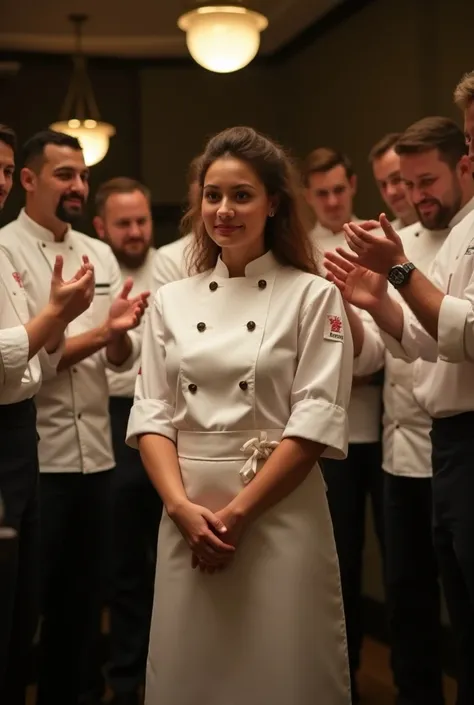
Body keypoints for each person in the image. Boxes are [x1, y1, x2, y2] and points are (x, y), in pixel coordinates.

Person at [126, 126, 354, 705]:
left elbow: (315, 420)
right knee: (190, 671)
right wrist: (181, 509)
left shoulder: (313, 295)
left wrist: (239, 516)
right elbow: (151, 414)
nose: (224, 210)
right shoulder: (171, 301)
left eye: (242, 195)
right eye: (212, 194)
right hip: (188, 511)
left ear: (273, 202)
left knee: (281, 669)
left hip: (276, 509)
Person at [323, 73, 474, 705]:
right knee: (440, 602)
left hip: (467, 435)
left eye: (425, 182)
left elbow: (462, 331)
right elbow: (420, 341)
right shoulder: (416, 238)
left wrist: (399, 273)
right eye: (405, 186)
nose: (413, 197)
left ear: (461, 166)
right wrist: (375, 304)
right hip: (437, 440)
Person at [0, 129, 149, 705]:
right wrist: (99, 332)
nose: (78, 186)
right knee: (31, 604)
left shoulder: (98, 251)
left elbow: (120, 355)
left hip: (99, 453)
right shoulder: (7, 249)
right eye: (65, 175)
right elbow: (30, 355)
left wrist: (117, 338)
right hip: (41, 452)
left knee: (87, 605)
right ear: (29, 181)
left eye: (83, 176)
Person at [0, 123, 95, 705]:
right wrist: (56, 318)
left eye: (5, 170)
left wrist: (56, 325)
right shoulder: (10, 245)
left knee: (20, 610)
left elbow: (32, 356)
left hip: (20, 434)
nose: (1, 182)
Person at [303, 146, 385, 701]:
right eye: (322, 193)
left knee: (404, 563)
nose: (333, 201)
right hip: (329, 441)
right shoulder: (301, 251)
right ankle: (343, 678)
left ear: (353, 185)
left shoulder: (381, 241)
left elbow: (385, 354)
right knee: (339, 562)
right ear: (309, 196)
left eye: (340, 190)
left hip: (386, 427)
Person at [93, 177, 161, 705]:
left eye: (141, 220)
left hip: (174, 420)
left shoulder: (177, 265)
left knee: (171, 553)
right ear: (102, 227)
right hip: (113, 417)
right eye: (123, 223)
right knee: (121, 559)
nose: (135, 231)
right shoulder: (90, 268)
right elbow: (114, 358)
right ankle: (123, 678)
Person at [369, 133, 417, 229]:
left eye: (397, 179)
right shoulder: (382, 239)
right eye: (383, 185)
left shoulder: (453, 230)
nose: (390, 192)